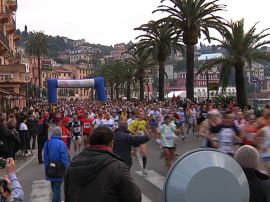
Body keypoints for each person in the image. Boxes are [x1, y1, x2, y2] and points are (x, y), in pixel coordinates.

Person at [64, 126, 141, 202]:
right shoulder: (118, 167)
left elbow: (67, 195)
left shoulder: (72, 163)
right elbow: (134, 197)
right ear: (111, 144)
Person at [44, 127, 69, 202]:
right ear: (60, 134)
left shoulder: (47, 143)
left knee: (54, 189)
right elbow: (64, 158)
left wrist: (46, 168)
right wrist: (68, 168)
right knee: (57, 189)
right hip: (59, 169)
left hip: (49, 169)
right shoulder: (62, 144)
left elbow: (45, 157)